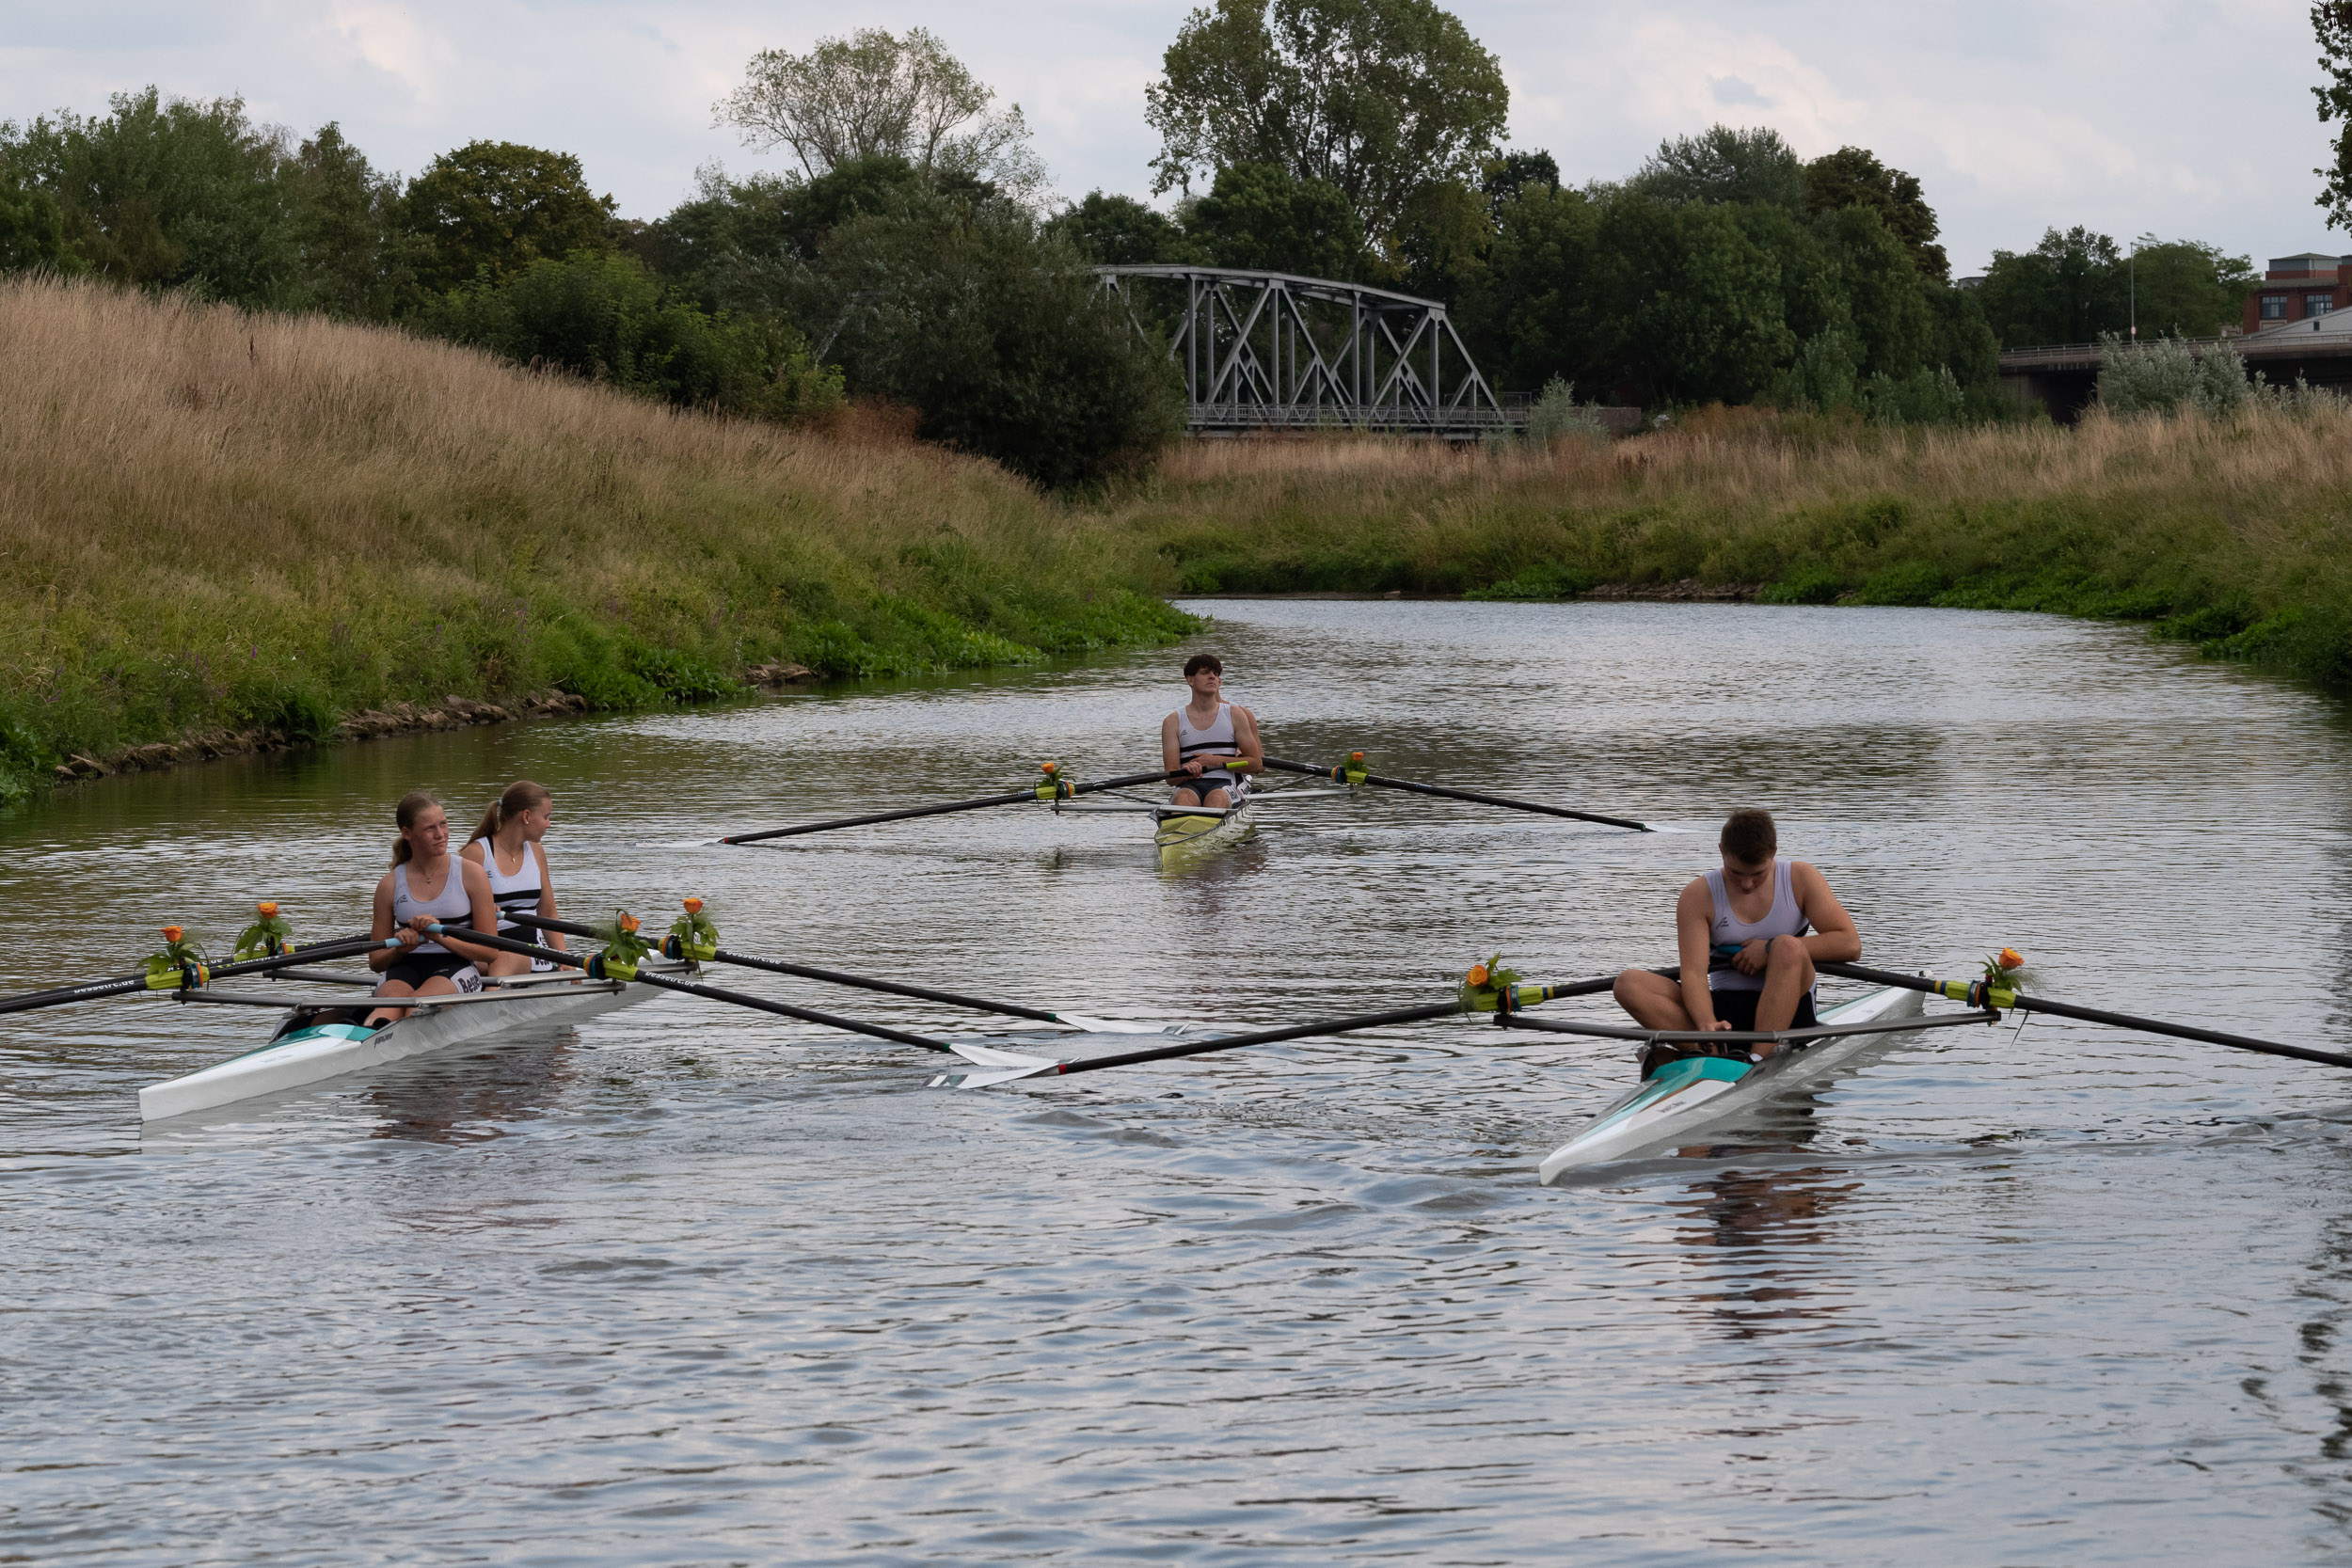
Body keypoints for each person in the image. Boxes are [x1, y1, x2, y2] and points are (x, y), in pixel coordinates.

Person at [1612, 808, 1860, 1074]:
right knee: (1628, 984)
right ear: (1721, 851)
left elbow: (1849, 944)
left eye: (1758, 874)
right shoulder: (1698, 895)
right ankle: (1713, 1048)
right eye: (1736, 873)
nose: (1747, 884)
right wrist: (1707, 1024)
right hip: (1725, 1012)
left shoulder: (1800, 878)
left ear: (1773, 852)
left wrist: (1768, 948)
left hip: (1791, 1009)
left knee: (1787, 946)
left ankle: (1756, 1060)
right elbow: (1694, 974)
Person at [362, 791, 505, 1027]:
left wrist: (438, 937)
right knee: (386, 1012)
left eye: (444, 824)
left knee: (416, 1009)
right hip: (405, 966)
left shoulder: (472, 874)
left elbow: (489, 952)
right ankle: (365, 1038)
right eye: (430, 829)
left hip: (457, 964)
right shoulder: (389, 884)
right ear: (407, 834)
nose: (441, 834)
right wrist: (400, 950)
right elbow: (376, 962)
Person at [459, 780, 566, 977]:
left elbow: (548, 913)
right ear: (526, 816)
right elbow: (453, 910)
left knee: (505, 959)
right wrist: (476, 910)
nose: (549, 824)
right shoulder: (476, 854)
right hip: (484, 951)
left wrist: (564, 960)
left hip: (530, 950)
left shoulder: (537, 852)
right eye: (546, 816)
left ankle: (491, 993)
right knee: (498, 960)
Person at [1161, 652, 1262, 809]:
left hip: (1224, 784)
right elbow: (1171, 778)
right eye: (1205, 673)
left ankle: (1199, 829)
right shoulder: (1172, 722)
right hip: (1188, 785)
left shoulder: (1235, 714)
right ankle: (1182, 831)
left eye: (1215, 674)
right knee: (1182, 799)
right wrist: (1186, 771)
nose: (1212, 677)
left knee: (1216, 799)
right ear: (1190, 680)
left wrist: (1216, 761)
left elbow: (1256, 764)